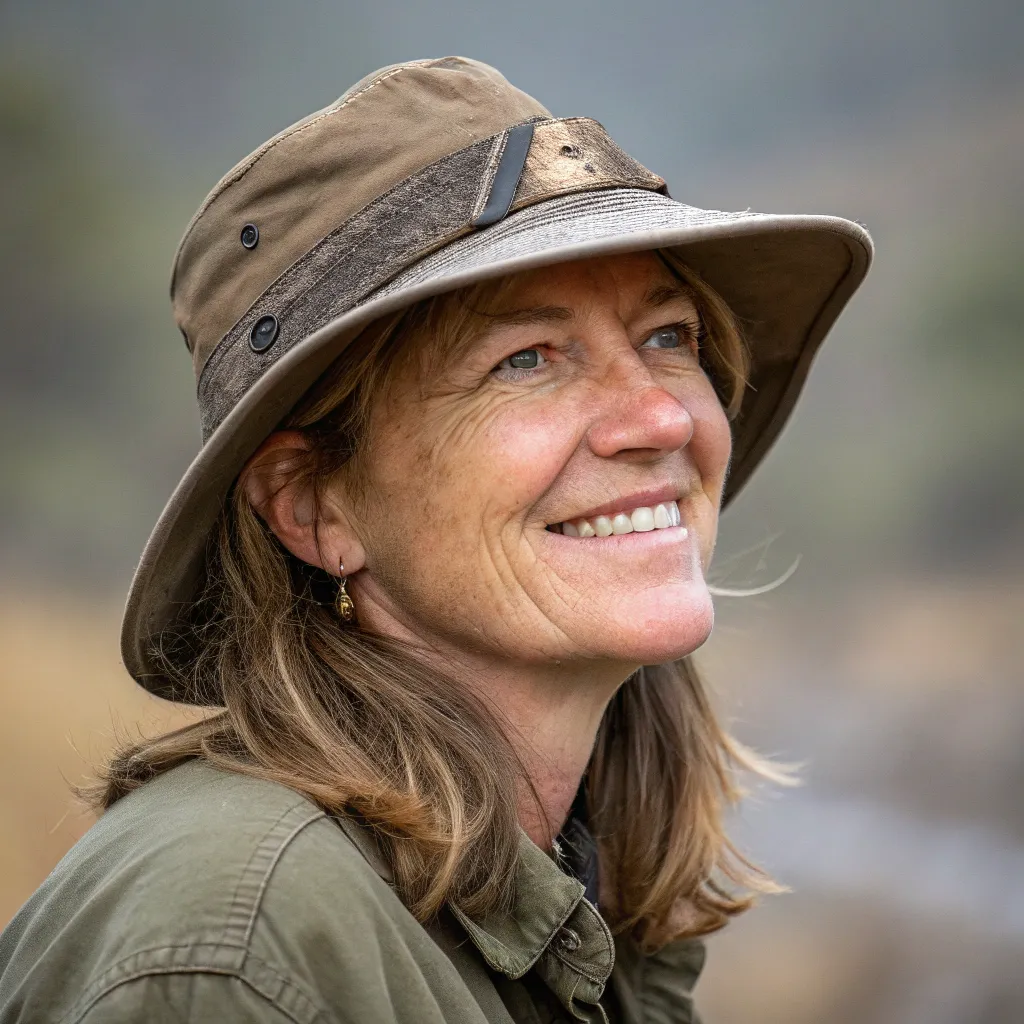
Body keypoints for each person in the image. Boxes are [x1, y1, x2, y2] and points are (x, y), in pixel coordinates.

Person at [0, 58, 871, 1023]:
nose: (661, 419)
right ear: (313, 508)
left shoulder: (584, 895)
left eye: (668, 336)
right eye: (527, 359)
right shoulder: (237, 953)